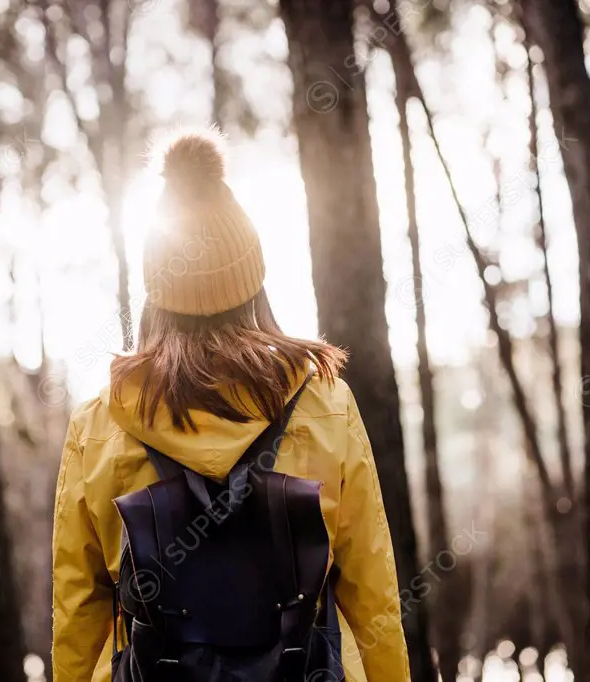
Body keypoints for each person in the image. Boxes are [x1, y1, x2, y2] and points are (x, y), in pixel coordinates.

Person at [51, 130, 411, 682]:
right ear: (253, 285)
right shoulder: (326, 404)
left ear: (157, 292)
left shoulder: (100, 423)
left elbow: (79, 611)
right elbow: (374, 594)